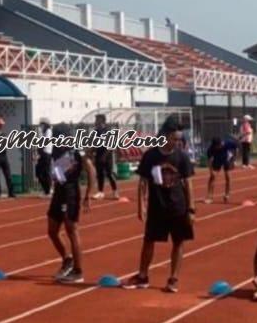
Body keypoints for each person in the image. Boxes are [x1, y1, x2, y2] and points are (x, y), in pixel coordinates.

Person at [124, 119, 196, 293]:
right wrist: (141, 206)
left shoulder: (182, 156)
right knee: (148, 241)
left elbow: (188, 183)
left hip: (178, 207)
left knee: (178, 242)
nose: (177, 143)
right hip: (157, 207)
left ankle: (173, 279)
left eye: (179, 140)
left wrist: (191, 209)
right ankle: (142, 276)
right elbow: (142, 182)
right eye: (174, 139)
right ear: (165, 136)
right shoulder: (151, 156)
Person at [47, 123, 96, 284]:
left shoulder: (76, 150)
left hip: (71, 192)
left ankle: (78, 270)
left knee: (71, 230)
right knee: (52, 230)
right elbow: (55, 169)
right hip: (59, 192)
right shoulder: (54, 149)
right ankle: (66, 259)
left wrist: (89, 194)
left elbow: (90, 170)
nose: (56, 141)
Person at [92, 114, 119, 200]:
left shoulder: (108, 131)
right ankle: (100, 192)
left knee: (109, 173)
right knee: (100, 174)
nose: (95, 121)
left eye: (97, 119)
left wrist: (105, 156)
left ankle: (115, 191)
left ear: (102, 120)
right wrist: (91, 153)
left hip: (107, 155)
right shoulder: (96, 132)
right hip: (98, 155)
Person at [205, 136, 237, 204]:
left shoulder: (228, 143)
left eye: (218, 146)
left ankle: (227, 194)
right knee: (212, 177)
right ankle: (210, 197)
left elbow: (236, 148)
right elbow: (209, 161)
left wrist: (233, 160)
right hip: (217, 160)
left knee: (228, 176)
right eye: (215, 147)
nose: (217, 147)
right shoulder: (211, 149)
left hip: (225, 159)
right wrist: (211, 171)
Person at [35, 118, 53, 198]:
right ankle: (46, 189)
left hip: (46, 154)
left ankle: (47, 190)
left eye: (42, 124)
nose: (41, 126)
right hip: (43, 154)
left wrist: (39, 153)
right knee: (40, 172)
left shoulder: (48, 132)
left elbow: (44, 143)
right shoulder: (44, 132)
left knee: (44, 172)